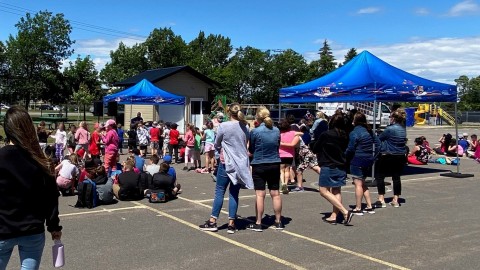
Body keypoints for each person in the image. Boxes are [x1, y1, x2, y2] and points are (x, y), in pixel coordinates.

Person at [0, 106, 62, 269]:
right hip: (32, 229)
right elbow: (51, 197)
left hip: (3, 229)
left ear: (7, 129)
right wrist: (54, 226)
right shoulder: (41, 160)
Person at [199, 103, 253, 234]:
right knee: (234, 193)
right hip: (240, 163)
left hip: (226, 162)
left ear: (229, 112)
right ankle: (231, 223)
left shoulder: (224, 126)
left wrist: (220, 151)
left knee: (220, 191)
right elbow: (246, 142)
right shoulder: (245, 126)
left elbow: (217, 143)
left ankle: (212, 221)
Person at [312, 113, 353, 225]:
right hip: (340, 165)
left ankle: (344, 211)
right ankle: (334, 216)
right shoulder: (345, 135)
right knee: (336, 190)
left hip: (328, 165)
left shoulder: (326, 134)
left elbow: (315, 148)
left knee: (323, 191)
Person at [248, 107, 284, 231]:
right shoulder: (276, 130)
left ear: (258, 116)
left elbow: (251, 148)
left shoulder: (255, 131)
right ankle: (278, 221)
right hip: (274, 162)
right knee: (275, 193)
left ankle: (258, 222)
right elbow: (278, 145)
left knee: (260, 194)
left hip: (259, 163)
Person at [345, 112, 380, 215]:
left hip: (358, 159)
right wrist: (374, 157)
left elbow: (351, 148)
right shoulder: (369, 131)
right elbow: (378, 144)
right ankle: (369, 206)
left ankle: (358, 207)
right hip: (368, 159)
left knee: (358, 184)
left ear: (354, 121)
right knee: (363, 183)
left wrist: (344, 156)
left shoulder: (354, 132)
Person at [374, 109, 407, 208]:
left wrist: (378, 133)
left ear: (393, 118)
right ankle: (395, 199)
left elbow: (380, 138)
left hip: (388, 154)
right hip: (400, 155)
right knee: (396, 177)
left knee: (380, 176)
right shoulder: (403, 129)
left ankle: (381, 198)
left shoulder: (389, 129)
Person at [278, 119, 296, 194]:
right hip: (290, 154)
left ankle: (282, 184)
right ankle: (286, 184)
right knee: (287, 170)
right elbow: (301, 133)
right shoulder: (292, 133)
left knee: (281, 170)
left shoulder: (279, 134)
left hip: (280, 154)